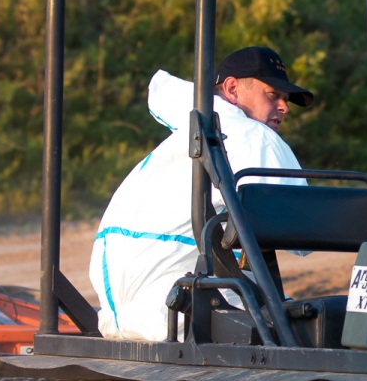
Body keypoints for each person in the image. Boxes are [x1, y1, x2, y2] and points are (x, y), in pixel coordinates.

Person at [89, 47, 315, 341]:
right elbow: (303, 231)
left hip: (129, 308)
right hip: (172, 302)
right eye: (273, 95)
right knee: (314, 325)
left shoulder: (194, 134)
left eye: (286, 100)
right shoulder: (251, 135)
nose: (284, 107)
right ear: (232, 88)